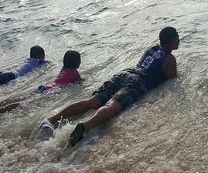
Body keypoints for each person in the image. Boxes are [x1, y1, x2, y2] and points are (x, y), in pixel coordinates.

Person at [39, 27, 180, 146]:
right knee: (112, 106)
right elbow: (171, 81)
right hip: (138, 82)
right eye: (177, 38)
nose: (179, 40)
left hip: (126, 73)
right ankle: (86, 126)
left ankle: (51, 119)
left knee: (92, 101)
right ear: (172, 41)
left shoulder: (152, 48)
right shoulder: (169, 58)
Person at [0, 50, 82, 118]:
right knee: (26, 103)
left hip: (45, 86)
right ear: (77, 62)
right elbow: (79, 83)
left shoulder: (64, 68)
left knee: (21, 98)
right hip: (52, 90)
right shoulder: (74, 72)